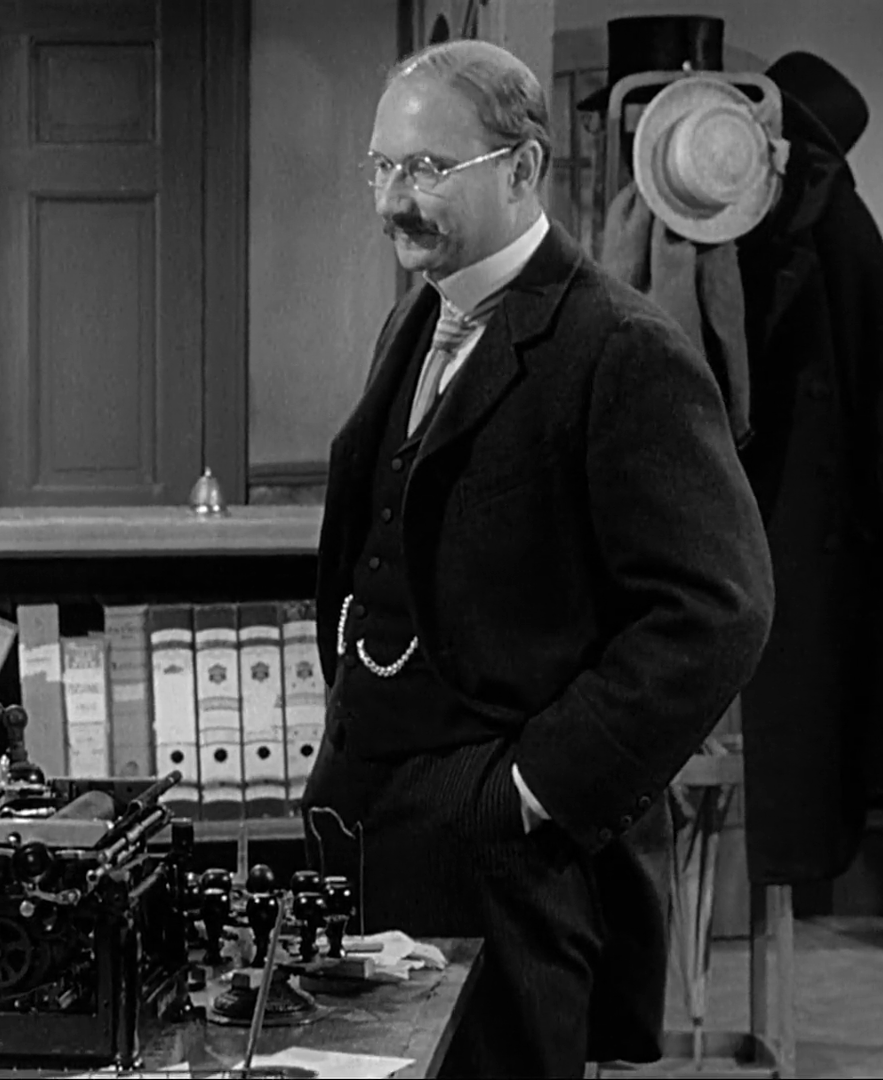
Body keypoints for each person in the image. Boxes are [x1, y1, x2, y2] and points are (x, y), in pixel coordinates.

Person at [301, 40, 774, 1077]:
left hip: (510, 871)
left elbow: (719, 609)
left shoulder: (622, 348)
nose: (394, 200)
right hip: (377, 846)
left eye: (429, 169)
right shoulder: (414, 319)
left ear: (523, 169)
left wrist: (530, 789)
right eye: (382, 168)